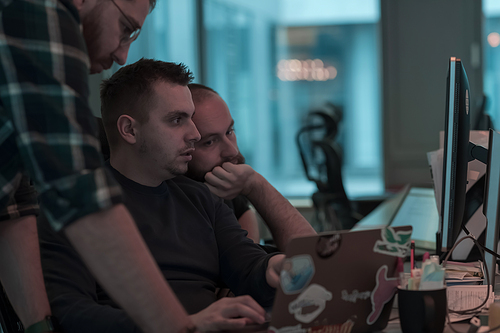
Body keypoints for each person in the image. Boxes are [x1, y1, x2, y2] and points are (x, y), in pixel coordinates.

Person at [38, 59, 284, 333]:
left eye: (191, 118)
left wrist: (275, 268)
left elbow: (248, 267)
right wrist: (183, 326)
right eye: (177, 120)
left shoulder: (202, 199)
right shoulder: (73, 205)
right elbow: (72, 315)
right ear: (130, 130)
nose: (194, 134)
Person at [0, 1, 195, 332]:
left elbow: (12, 205)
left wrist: (38, 328)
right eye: (125, 29)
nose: (122, 55)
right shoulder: (39, 9)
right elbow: (79, 190)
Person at [186, 84, 316, 250]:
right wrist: (255, 185)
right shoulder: (182, 209)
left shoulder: (229, 194)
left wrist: (254, 184)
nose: (232, 150)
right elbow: (309, 257)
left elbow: (310, 256)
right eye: (209, 142)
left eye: (229, 132)